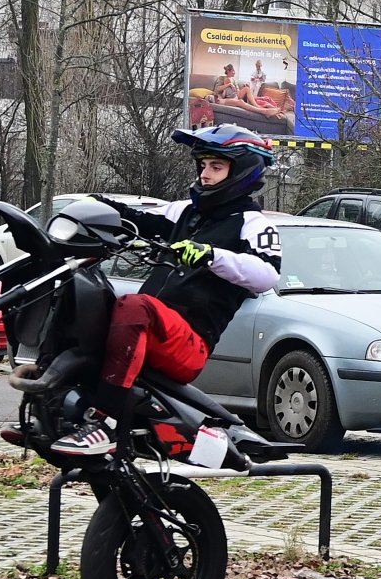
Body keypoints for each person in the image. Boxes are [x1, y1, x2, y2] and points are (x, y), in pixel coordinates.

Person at [52, 125, 283, 454]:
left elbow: (267, 275)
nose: (205, 174)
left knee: (135, 307)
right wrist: (97, 203)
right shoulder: (184, 213)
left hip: (190, 344)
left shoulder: (254, 224)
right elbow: (137, 220)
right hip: (153, 330)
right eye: (203, 166)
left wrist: (211, 256)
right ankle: (51, 411)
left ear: (242, 172)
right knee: (85, 299)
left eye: (216, 167)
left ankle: (103, 424)